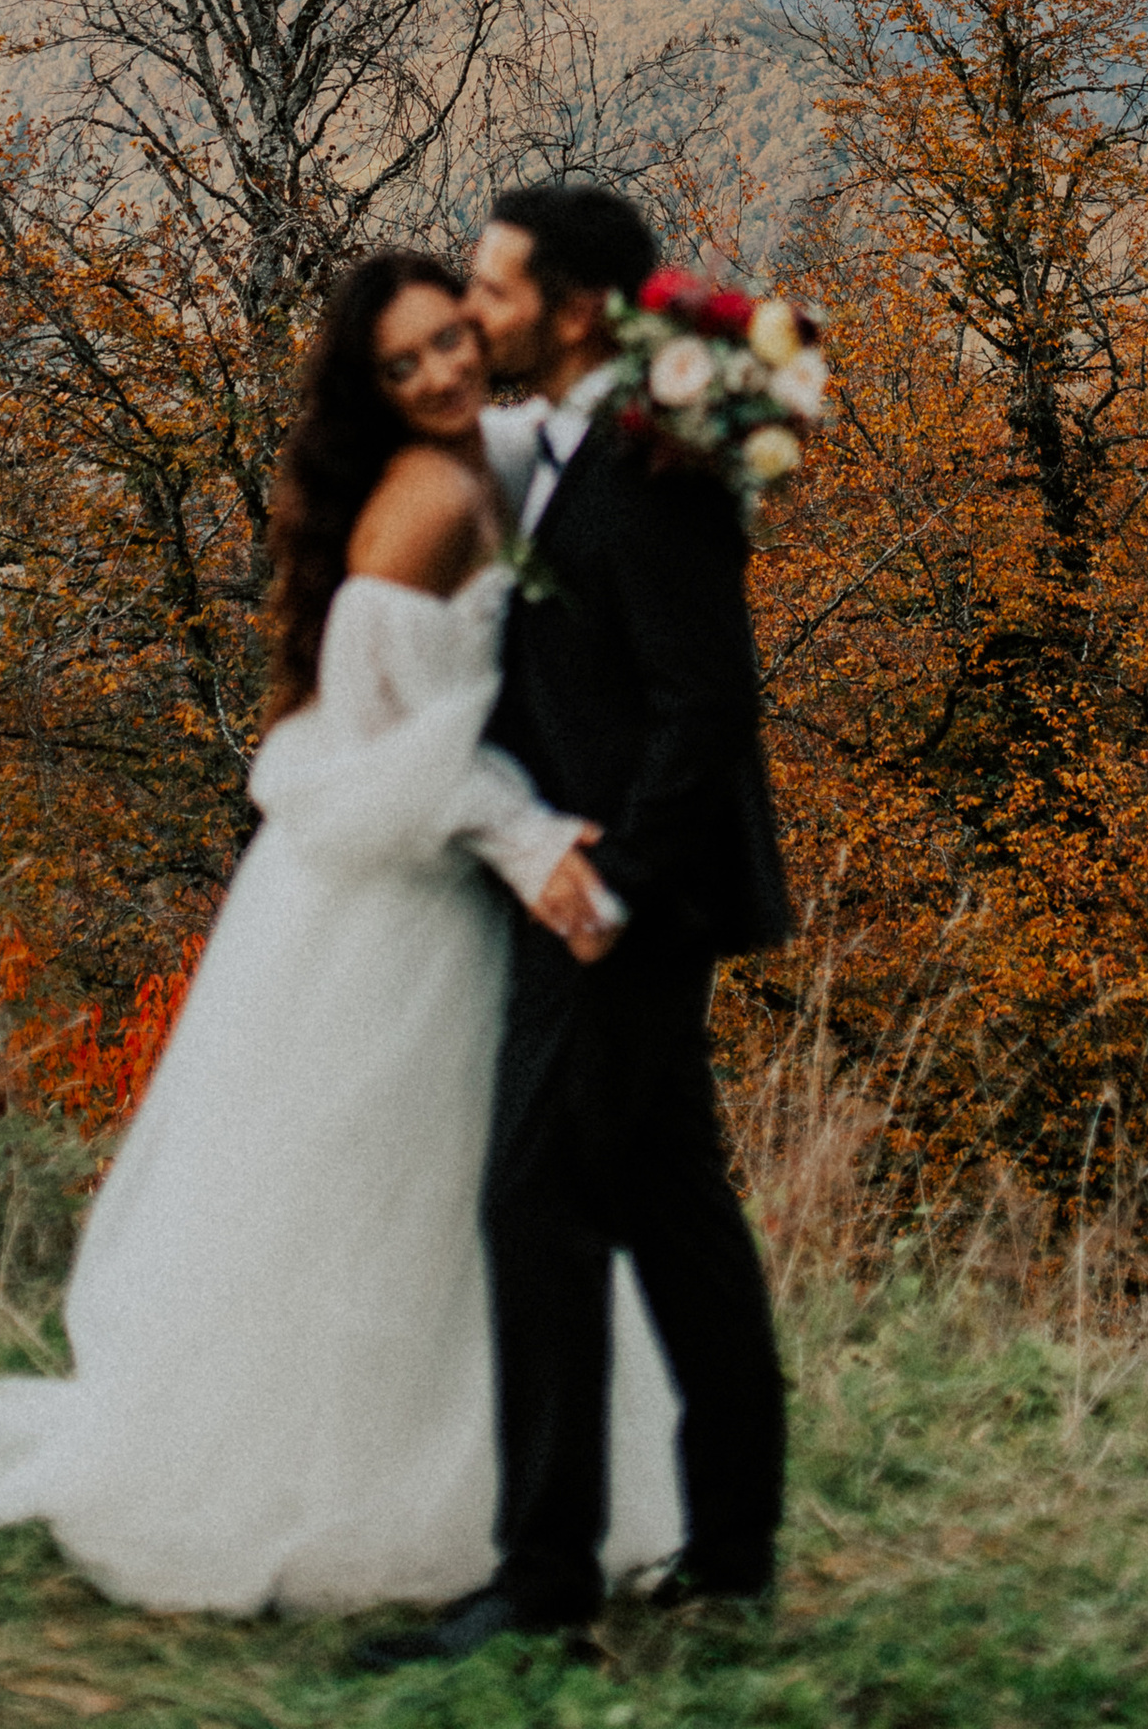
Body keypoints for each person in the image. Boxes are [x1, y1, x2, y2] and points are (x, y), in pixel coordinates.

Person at [0, 248, 681, 1614]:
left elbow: (579, 422)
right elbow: (391, 752)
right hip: (391, 903)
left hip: (424, 883)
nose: (446, 372)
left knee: (465, 1195)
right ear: (374, 390)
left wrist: (716, 370)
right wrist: (529, 845)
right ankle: (354, 1491)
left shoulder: (485, 452)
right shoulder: (418, 509)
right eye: (408, 365)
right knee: (387, 1192)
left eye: (454, 339)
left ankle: (491, 1484)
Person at [347, 182, 792, 1677]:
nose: (475, 310)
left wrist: (611, 882)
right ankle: (730, 1557)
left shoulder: (645, 463)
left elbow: (706, 699)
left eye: (496, 286)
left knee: (535, 1209)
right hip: (611, 897)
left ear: (577, 306)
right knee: (677, 1220)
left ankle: (542, 1582)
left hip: (616, 910)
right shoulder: (584, 443)